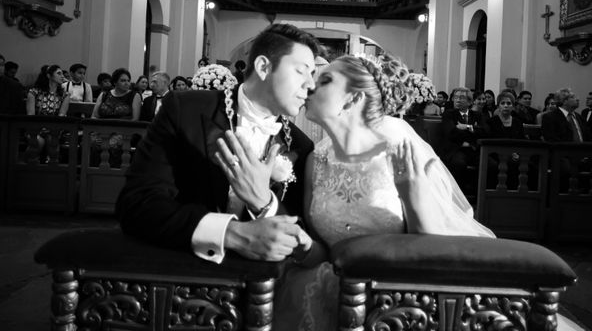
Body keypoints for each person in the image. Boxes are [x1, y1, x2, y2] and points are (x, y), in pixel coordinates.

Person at [272, 54, 494, 329]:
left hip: (403, 299)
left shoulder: (398, 147)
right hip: (336, 289)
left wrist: (414, 197)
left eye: (325, 80)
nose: (310, 87)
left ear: (353, 99)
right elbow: (323, 252)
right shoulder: (316, 159)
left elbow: (435, 250)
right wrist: (304, 248)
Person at [116, 23, 320, 264]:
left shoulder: (299, 146)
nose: (311, 84)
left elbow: (297, 235)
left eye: (312, 74)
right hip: (180, 269)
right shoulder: (186, 110)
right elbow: (137, 204)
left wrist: (266, 203)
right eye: (301, 71)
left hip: (255, 286)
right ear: (264, 67)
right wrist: (231, 234)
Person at [440, 87, 489, 196]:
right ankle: (459, 196)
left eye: (461, 98)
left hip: (473, 149)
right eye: (455, 97)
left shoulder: (478, 115)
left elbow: (485, 131)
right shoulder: (449, 114)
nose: (457, 100)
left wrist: (467, 127)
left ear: (470, 101)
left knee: (491, 164)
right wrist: (473, 132)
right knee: (459, 164)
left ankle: (479, 196)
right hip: (456, 149)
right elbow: (452, 133)